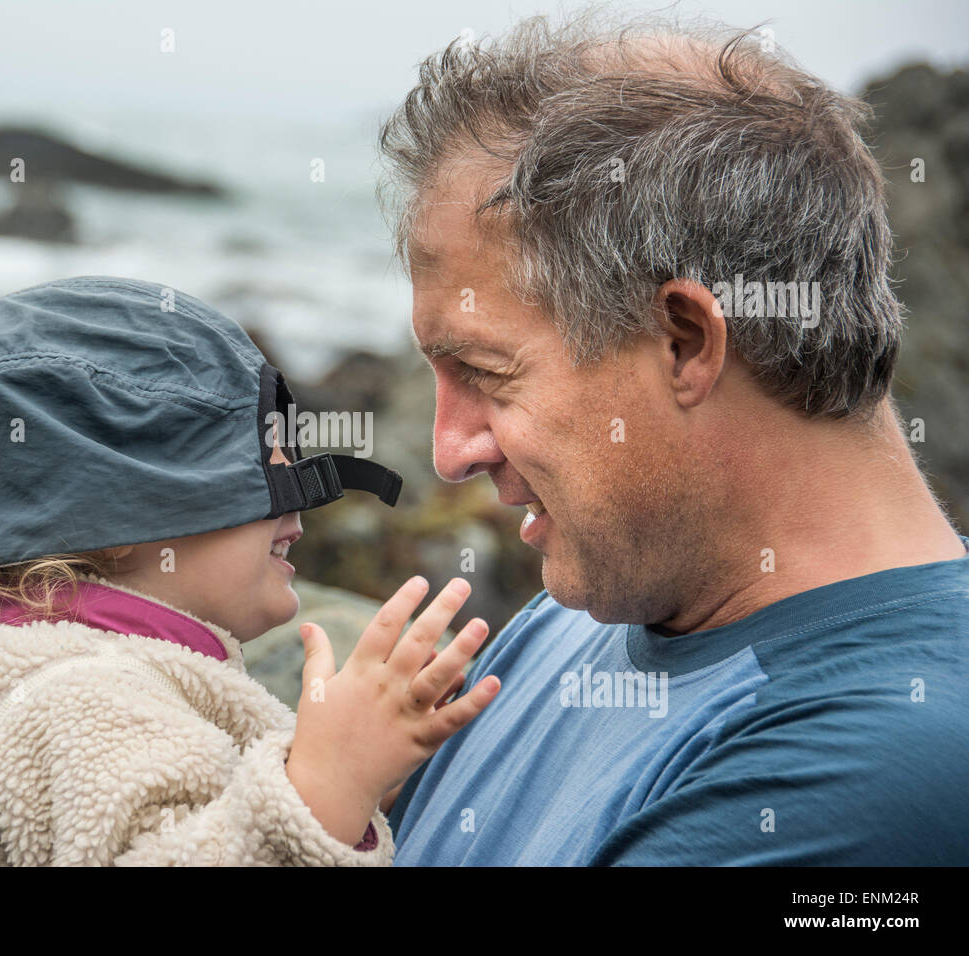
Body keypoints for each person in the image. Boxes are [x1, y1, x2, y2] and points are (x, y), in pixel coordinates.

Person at [377, 12, 969, 864]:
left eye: (487, 373)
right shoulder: (578, 615)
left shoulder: (877, 766)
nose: (450, 450)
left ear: (685, 342)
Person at [0, 276, 500, 865]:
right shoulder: (74, 700)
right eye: (262, 453)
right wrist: (328, 789)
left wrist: (366, 774)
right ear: (118, 520)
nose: (297, 490)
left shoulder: (56, 673)